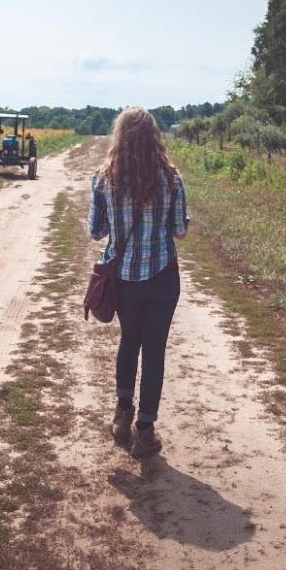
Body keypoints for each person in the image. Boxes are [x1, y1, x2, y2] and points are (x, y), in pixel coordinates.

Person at [89, 107, 189, 459]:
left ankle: (122, 414)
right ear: (154, 137)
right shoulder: (172, 178)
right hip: (162, 276)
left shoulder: (104, 178)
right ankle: (145, 431)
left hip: (125, 279)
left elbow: (96, 231)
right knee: (155, 350)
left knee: (129, 341)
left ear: (120, 136)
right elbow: (179, 230)